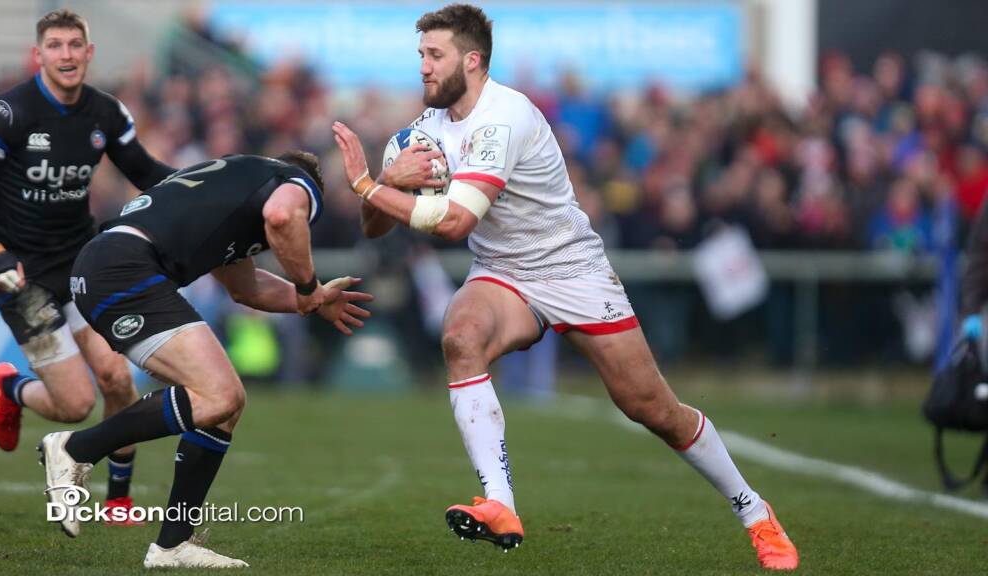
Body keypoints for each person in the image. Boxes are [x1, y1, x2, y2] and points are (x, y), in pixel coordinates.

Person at [332, 4, 798, 570]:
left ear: (472, 61)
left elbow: (454, 223)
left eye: (435, 55)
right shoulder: (424, 131)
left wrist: (365, 183)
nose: (423, 67)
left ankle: (754, 510)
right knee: (461, 333)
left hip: (572, 269)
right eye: (421, 55)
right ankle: (500, 505)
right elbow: (374, 226)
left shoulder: (504, 117)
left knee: (651, 407)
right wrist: (385, 181)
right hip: (503, 272)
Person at [38, 152, 372, 568]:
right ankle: (76, 448)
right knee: (220, 395)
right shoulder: (293, 182)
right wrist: (307, 287)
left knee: (225, 407)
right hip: (125, 268)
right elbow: (284, 216)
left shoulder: (237, 188)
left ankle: (173, 545)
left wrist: (314, 299)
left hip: (111, 264)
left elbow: (247, 288)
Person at [0, 9, 175, 517]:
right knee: (75, 405)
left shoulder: (105, 113)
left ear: (89, 53)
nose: (66, 55)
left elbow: (147, 172)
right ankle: (12, 387)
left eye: (75, 45)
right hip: (21, 278)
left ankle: (118, 499)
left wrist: (211, 184)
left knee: (118, 378)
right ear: (38, 55)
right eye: (55, 46)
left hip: (82, 263)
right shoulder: (7, 115)